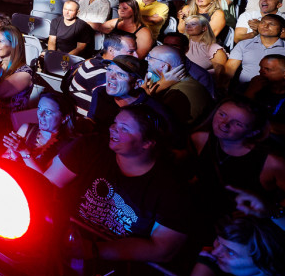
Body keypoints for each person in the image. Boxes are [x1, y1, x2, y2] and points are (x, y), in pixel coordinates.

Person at [46, 104, 193, 263]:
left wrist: (94, 250)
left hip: (120, 266)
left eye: (124, 128)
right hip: (62, 242)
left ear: (147, 143)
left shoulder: (172, 187)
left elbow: (163, 248)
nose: (113, 129)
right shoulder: (90, 146)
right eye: (115, 123)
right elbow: (47, 185)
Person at [189, 96, 285, 219]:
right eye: (222, 114)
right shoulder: (200, 139)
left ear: (253, 132)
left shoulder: (272, 163)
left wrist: (265, 212)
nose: (224, 124)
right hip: (199, 214)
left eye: (238, 123)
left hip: (239, 227)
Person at [223, 14, 285, 92]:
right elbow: (229, 70)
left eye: (271, 24)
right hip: (246, 90)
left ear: (282, 30)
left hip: (279, 94)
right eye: (262, 23)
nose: (265, 26)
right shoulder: (243, 45)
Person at [2, 89, 77, 174]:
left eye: (48, 112)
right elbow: (3, 160)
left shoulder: (67, 146)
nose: (40, 115)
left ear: (64, 118)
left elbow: (46, 180)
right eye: (39, 108)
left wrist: (24, 151)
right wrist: (13, 154)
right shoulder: (27, 129)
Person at [182, 13, 229, 81]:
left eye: (193, 24)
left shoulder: (213, 48)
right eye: (186, 24)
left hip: (199, 85)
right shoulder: (181, 43)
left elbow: (220, 75)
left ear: (204, 28)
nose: (188, 26)